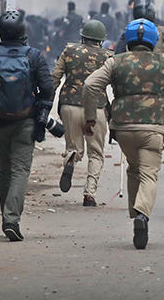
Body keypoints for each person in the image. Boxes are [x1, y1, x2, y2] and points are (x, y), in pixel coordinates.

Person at [82, 19, 164, 249]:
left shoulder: (115, 62)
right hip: (153, 128)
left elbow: (90, 85)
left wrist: (91, 116)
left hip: (123, 129)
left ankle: (135, 212)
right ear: (153, 41)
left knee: (133, 168)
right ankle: (142, 214)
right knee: (149, 173)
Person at [0, 10, 54, 242]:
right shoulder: (34, 56)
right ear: (24, 31)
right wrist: (42, 114)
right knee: (20, 170)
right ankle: (11, 219)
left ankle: (7, 216)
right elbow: (47, 89)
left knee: (4, 170)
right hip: (26, 121)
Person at [51, 20, 112, 206]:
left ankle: (70, 160)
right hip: (97, 109)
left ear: (82, 36)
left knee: (74, 148)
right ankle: (89, 193)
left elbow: (55, 76)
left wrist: (45, 100)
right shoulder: (109, 57)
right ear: (101, 40)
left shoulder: (69, 50)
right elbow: (117, 84)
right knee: (96, 153)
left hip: (70, 106)